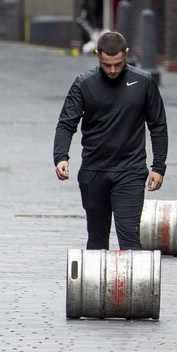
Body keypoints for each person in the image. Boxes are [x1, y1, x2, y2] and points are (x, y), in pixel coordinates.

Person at [53, 31, 168, 251]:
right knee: (96, 240)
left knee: (129, 239)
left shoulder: (144, 82)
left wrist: (158, 167)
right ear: (97, 55)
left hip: (131, 171)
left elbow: (158, 126)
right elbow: (66, 124)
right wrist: (61, 157)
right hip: (94, 172)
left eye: (118, 63)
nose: (113, 70)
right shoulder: (84, 84)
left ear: (126, 54)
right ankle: (96, 286)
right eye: (107, 64)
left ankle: (132, 287)